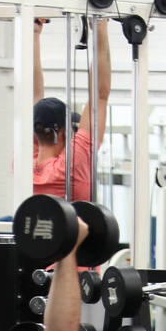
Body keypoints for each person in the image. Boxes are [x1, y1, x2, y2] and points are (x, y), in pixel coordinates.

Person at [32, 16, 111, 202]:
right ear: (63, 132)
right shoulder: (70, 167)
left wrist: (34, 35)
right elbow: (99, 96)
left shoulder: (24, 162)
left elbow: (33, 95)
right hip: (74, 231)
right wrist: (101, 27)